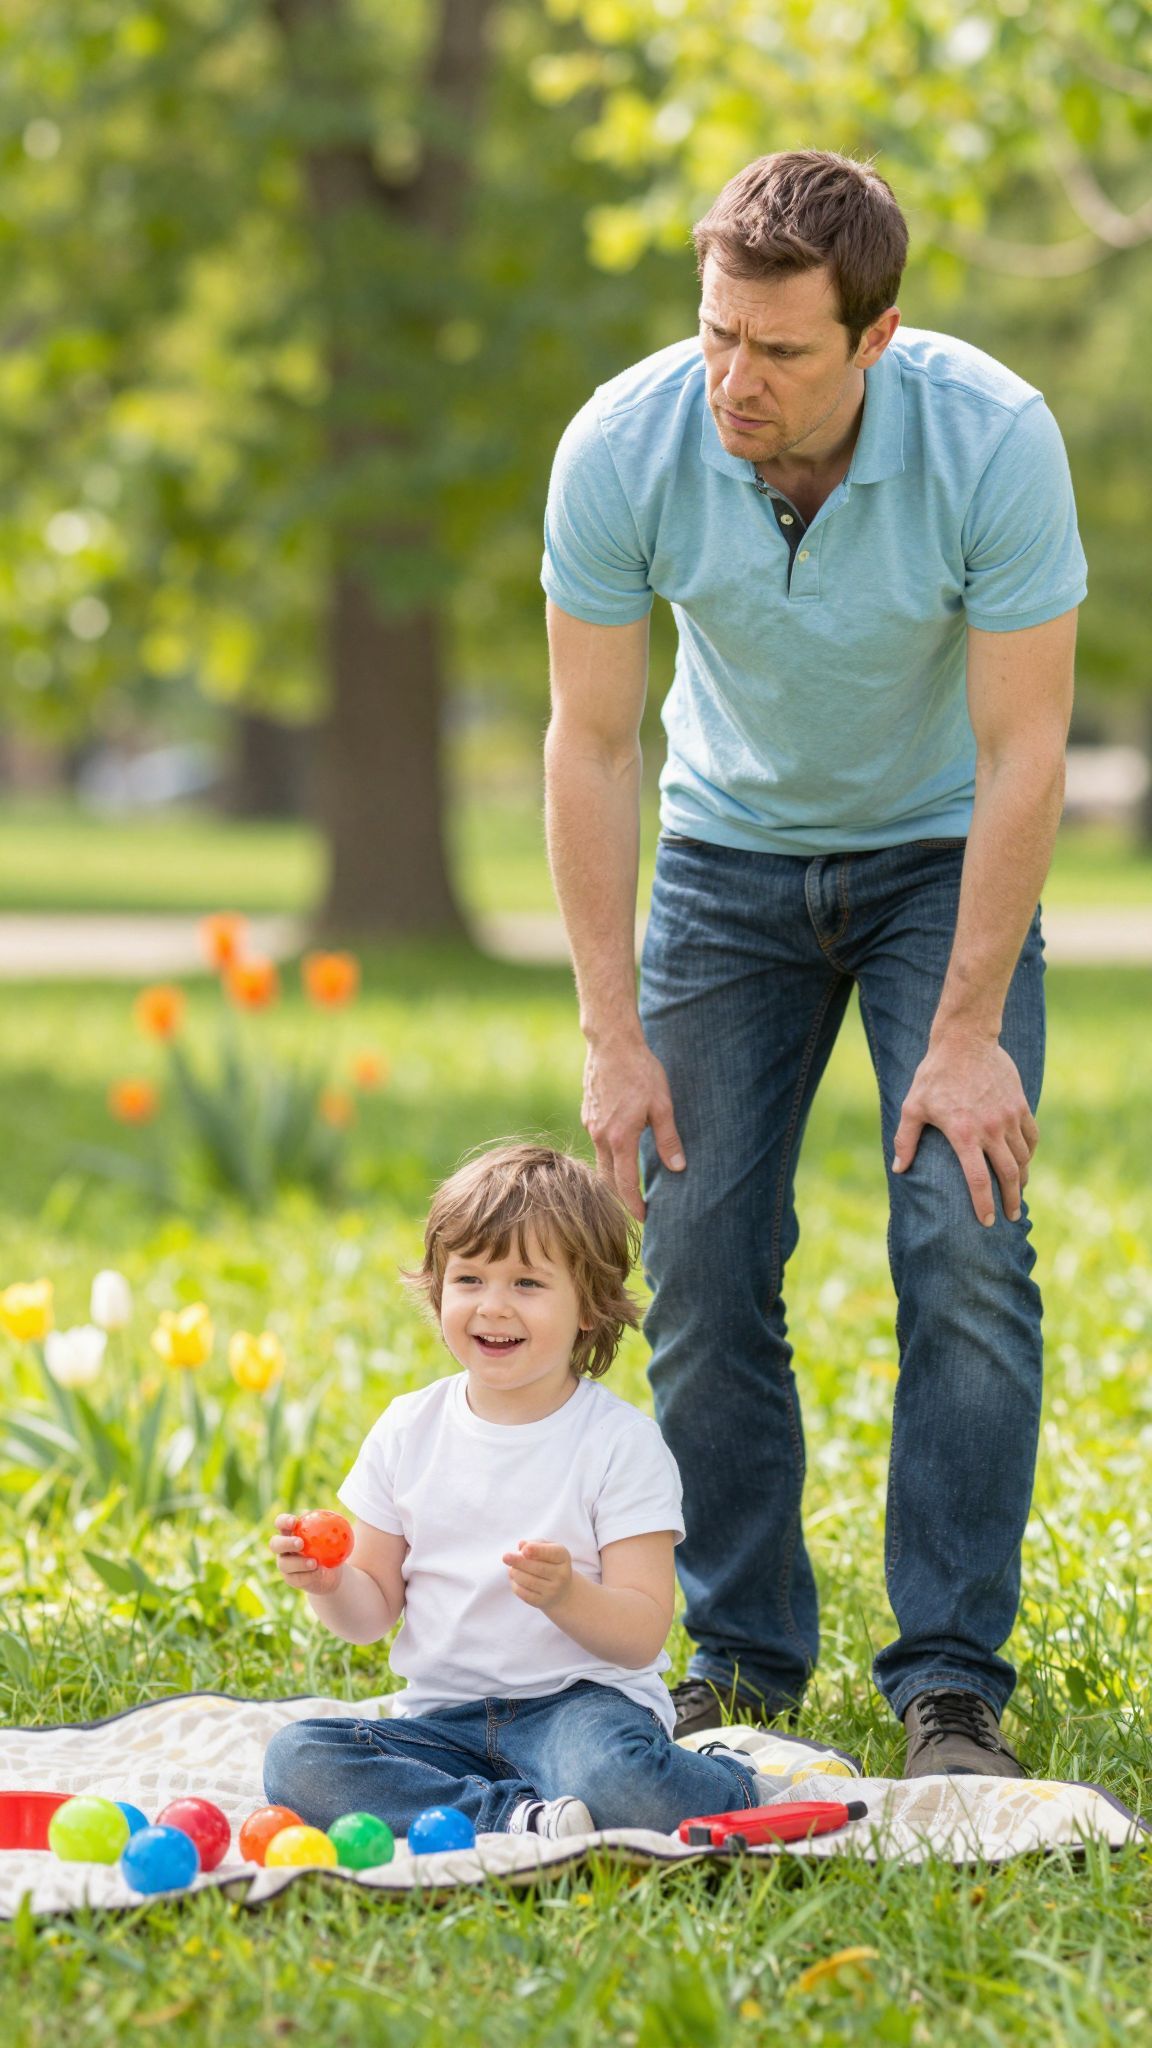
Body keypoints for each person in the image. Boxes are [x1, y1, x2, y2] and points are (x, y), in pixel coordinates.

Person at [541, 151, 1086, 1777]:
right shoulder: (625, 443)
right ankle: (742, 1653)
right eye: (718, 334)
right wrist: (609, 1030)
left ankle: (948, 1680)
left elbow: (1025, 748)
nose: (735, 380)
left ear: (875, 336)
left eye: (779, 351)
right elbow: (586, 741)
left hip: (941, 856)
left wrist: (971, 1024)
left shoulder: (990, 437)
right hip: (724, 862)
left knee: (962, 1231)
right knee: (695, 1244)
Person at [263, 1142, 789, 1838]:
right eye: (470, 1279)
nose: (493, 1307)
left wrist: (569, 1595)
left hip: (582, 1712)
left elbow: (639, 1635)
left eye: (528, 1284)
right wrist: (329, 1584)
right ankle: (518, 1818)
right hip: (443, 1725)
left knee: (617, 1780)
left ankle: (733, 1781)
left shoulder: (619, 1444)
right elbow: (372, 1613)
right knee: (298, 1761)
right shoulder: (406, 1430)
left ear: (589, 1309)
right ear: (438, 1289)